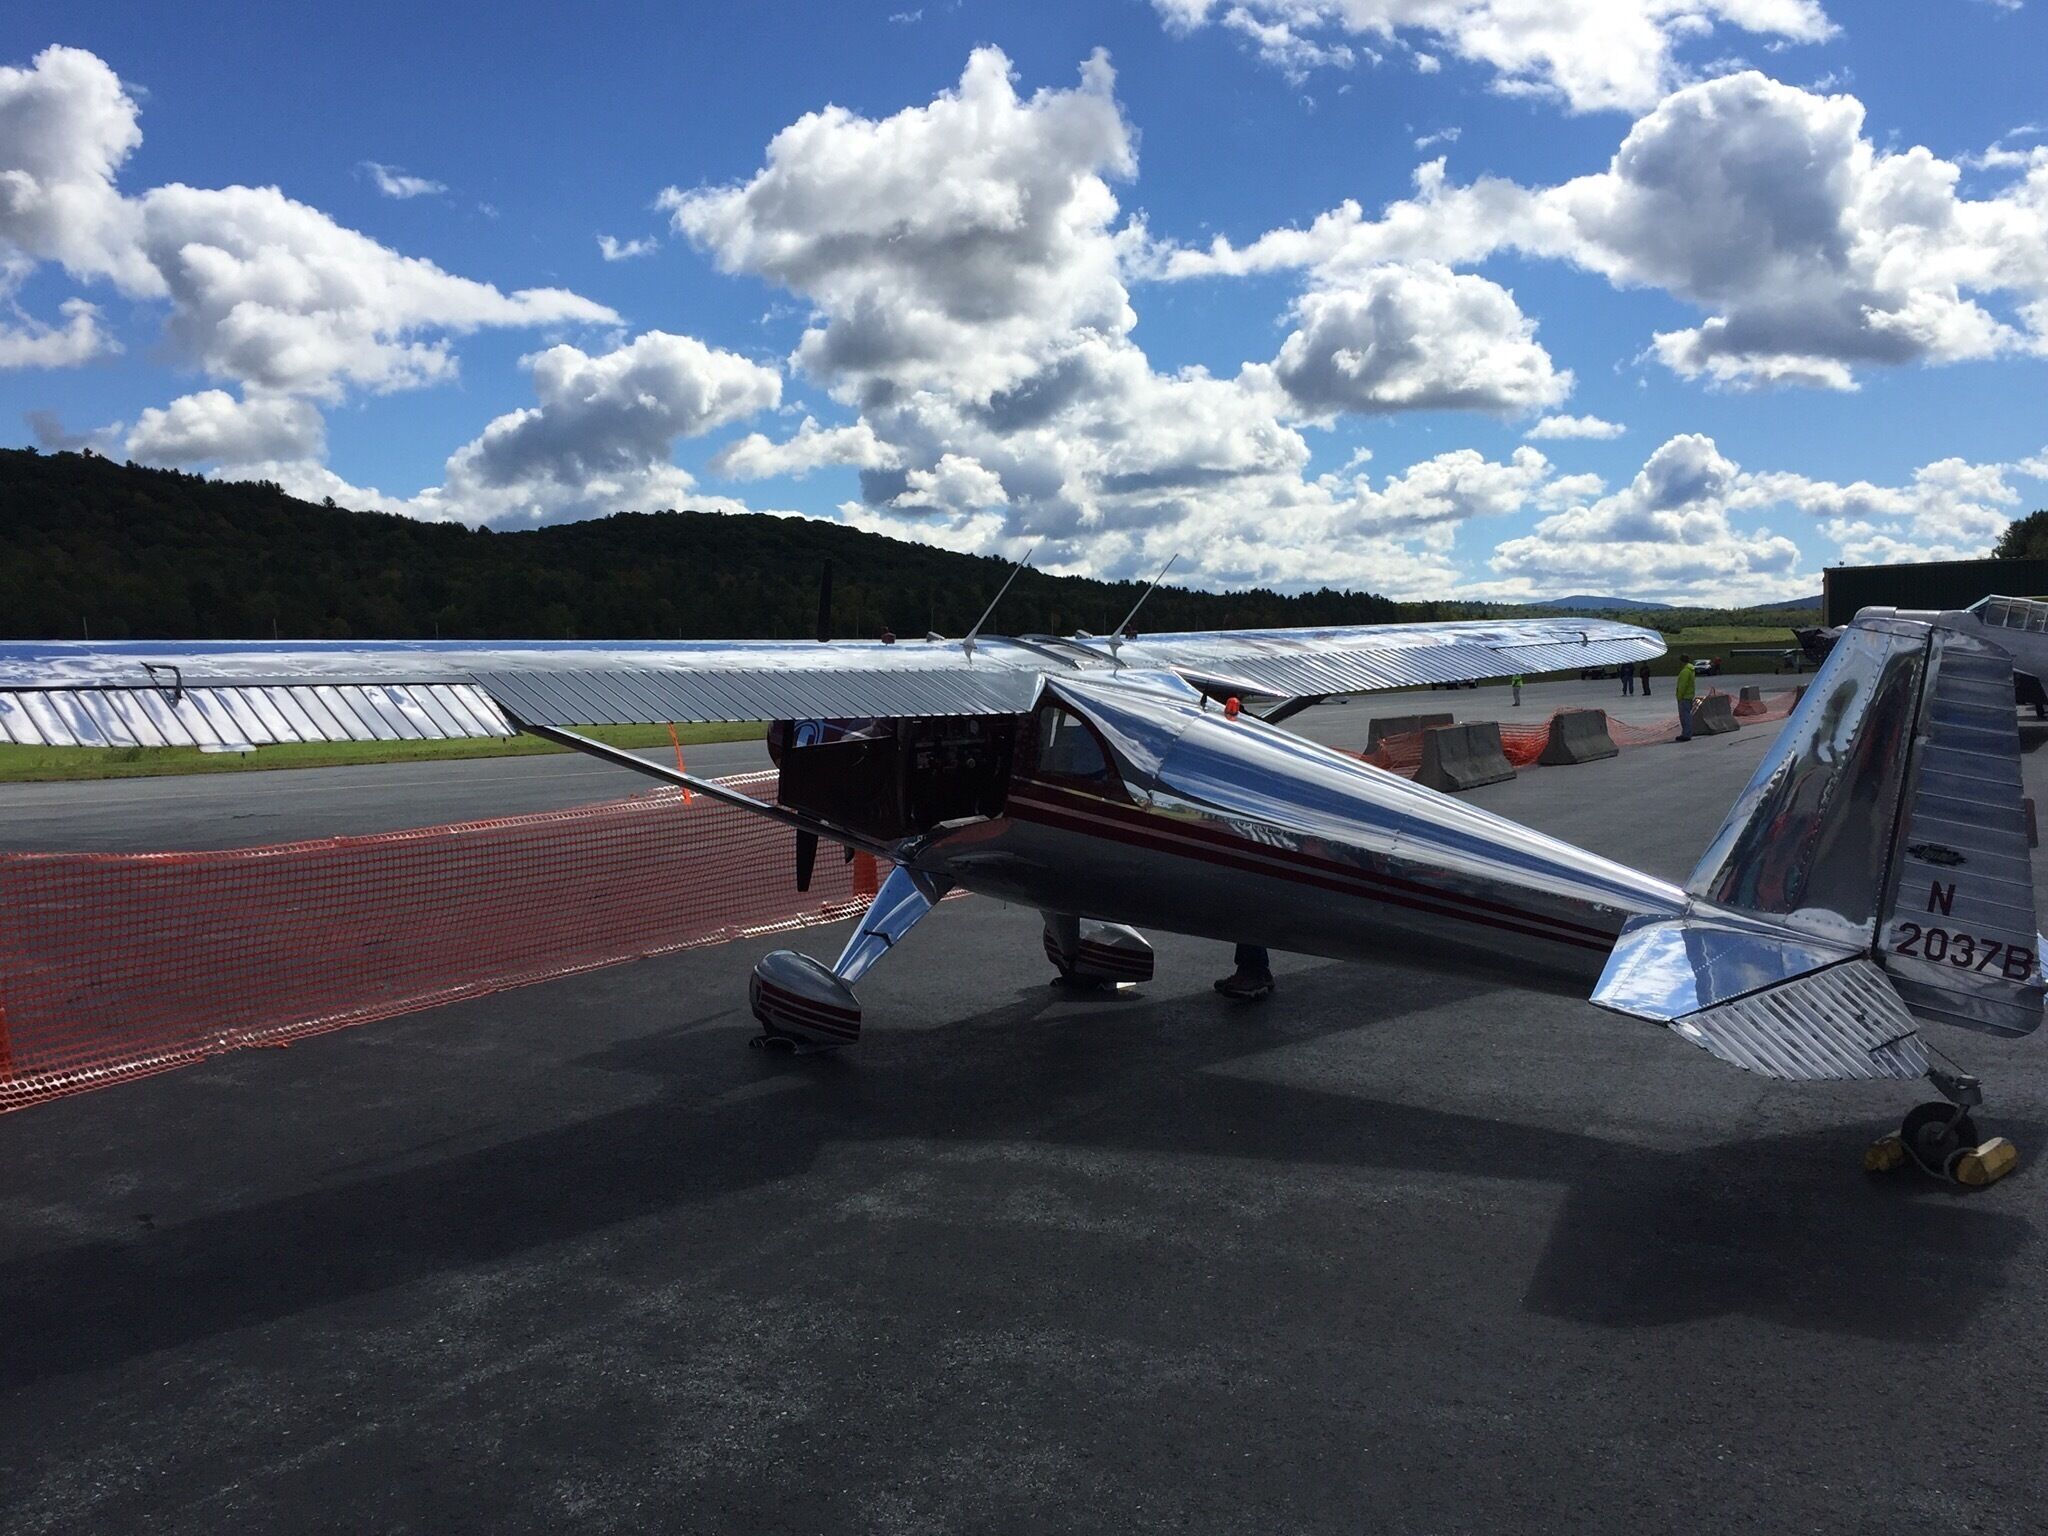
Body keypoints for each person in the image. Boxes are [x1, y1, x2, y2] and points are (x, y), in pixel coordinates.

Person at [1674, 653, 1697, 741]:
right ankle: (1688, 732)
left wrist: (1679, 697)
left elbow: (1682, 686)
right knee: (1687, 715)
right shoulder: (1691, 670)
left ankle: (1686, 734)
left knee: (1684, 717)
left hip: (1684, 697)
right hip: (1689, 696)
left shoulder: (1685, 671)